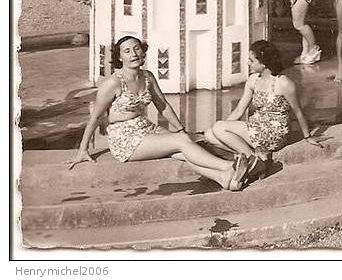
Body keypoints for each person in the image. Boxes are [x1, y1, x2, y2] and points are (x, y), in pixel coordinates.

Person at [67, 36, 252, 191]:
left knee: (183, 147)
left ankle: (224, 179)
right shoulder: (112, 83)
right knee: (181, 143)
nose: (134, 54)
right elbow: (95, 118)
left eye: (137, 49)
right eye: (127, 51)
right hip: (125, 138)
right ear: (119, 57)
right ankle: (230, 166)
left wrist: (180, 128)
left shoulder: (147, 76)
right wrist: (83, 150)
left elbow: (162, 105)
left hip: (146, 127)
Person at [205, 40, 322, 178]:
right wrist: (226, 128)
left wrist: (308, 136)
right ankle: (254, 158)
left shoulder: (283, 83)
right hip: (256, 126)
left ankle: (256, 160)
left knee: (218, 128)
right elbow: (239, 110)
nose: (248, 63)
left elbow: (298, 111)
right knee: (210, 134)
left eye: (252, 60)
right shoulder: (253, 80)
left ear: (264, 63)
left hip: (275, 132)